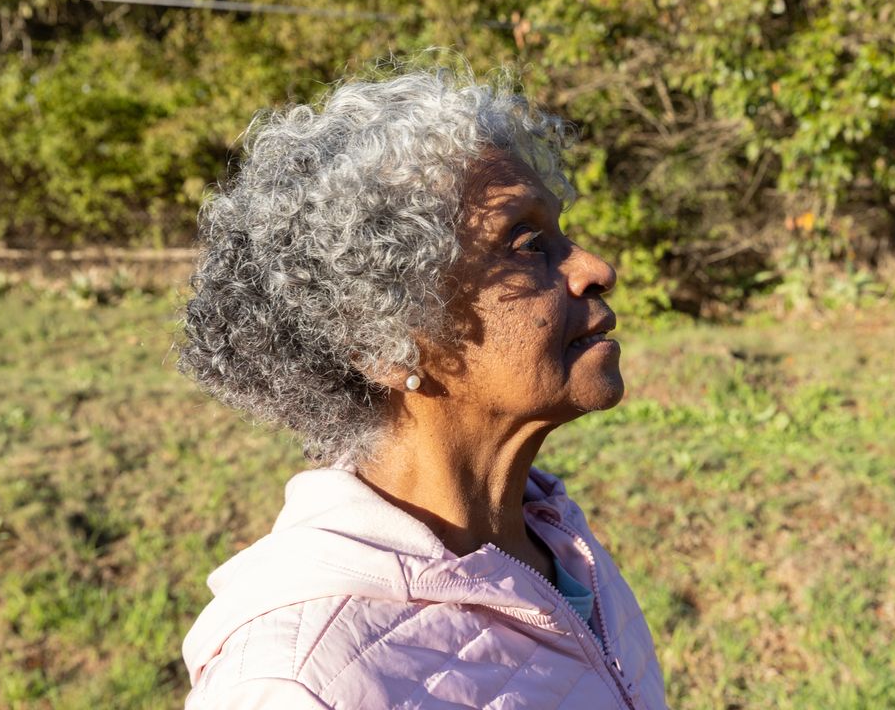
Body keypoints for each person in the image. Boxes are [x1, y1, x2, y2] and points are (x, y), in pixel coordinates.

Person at [178, 65, 667, 709]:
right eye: (526, 244)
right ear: (384, 341)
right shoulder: (300, 683)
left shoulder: (556, 544)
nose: (594, 268)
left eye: (562, 233)